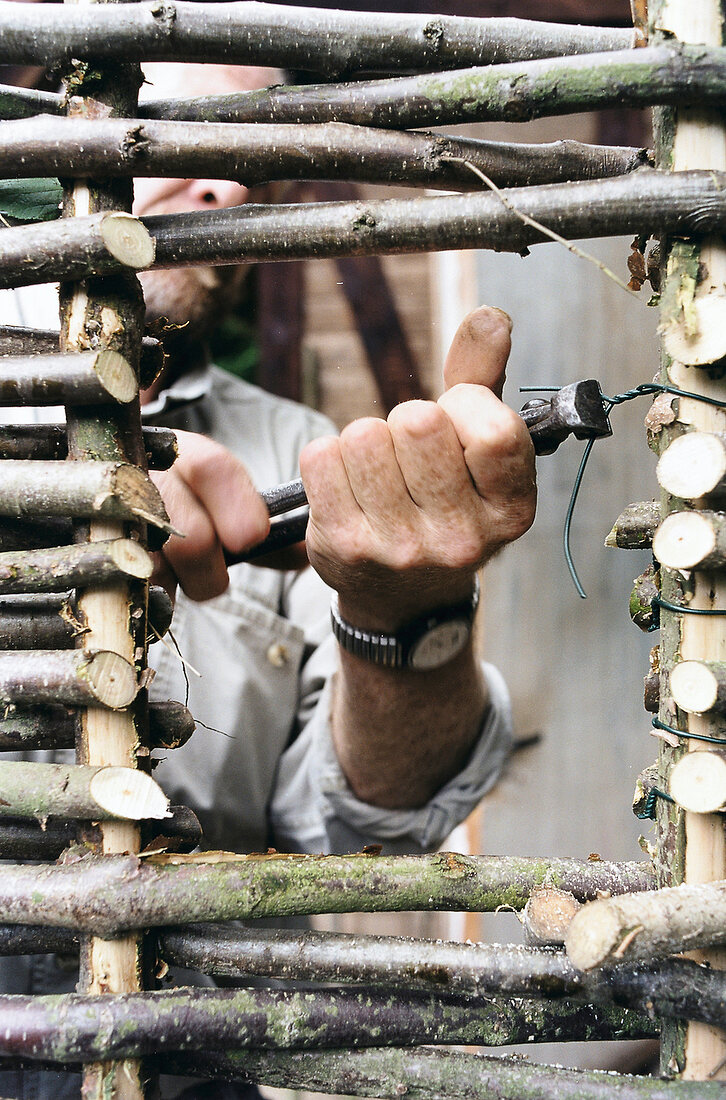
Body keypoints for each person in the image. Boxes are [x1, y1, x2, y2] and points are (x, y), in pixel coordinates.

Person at [0, 60, 536, 1100]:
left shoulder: (297, 455)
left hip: (187, 1038)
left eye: (251, 158)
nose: (232, 189)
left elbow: (356, 823)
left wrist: (405, 619)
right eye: (182, 132)